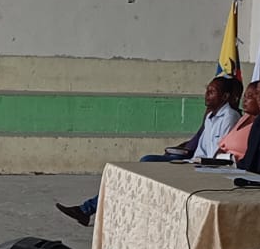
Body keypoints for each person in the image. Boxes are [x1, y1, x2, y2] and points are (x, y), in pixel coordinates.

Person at [56, 77, 242, 226]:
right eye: (207, 90)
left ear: (225, 96)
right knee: (132, 169)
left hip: (205, 168)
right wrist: (182, 153)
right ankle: (88, 209)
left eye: (212, 92)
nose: (206, 95)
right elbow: (199, 147)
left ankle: (89, 209)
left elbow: (217, 154)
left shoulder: (230, 117)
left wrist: (190, 161)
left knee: (144, 166)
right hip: (192, 161)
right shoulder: (210, 116)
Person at [215, 78, 260, 163]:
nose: (244, 100)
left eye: (250, 96)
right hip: (223, 163)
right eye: (244, 96)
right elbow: (223, 144)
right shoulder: (245, 117)